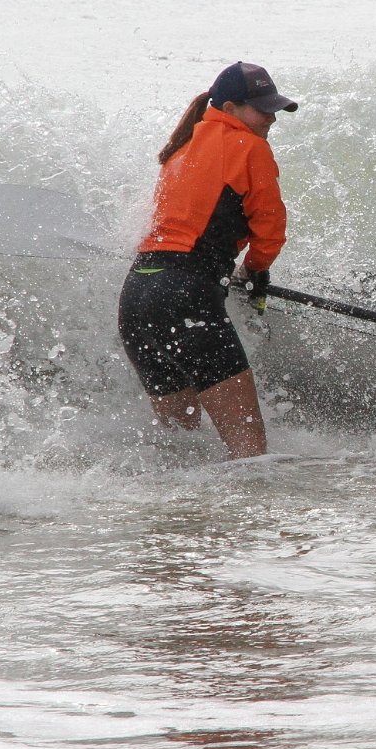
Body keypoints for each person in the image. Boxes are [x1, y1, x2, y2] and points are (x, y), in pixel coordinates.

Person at [117, 61, 296, 459]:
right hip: (186, 296)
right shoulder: (249, 147)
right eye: (261, 109)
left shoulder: (179, 149)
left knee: (182, 455)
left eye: (274, 109)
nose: (270, 118)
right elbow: (270, 229)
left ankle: (180, 521)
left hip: (137, 298)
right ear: (229, 108)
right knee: (250, 457)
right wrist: (254, 270)